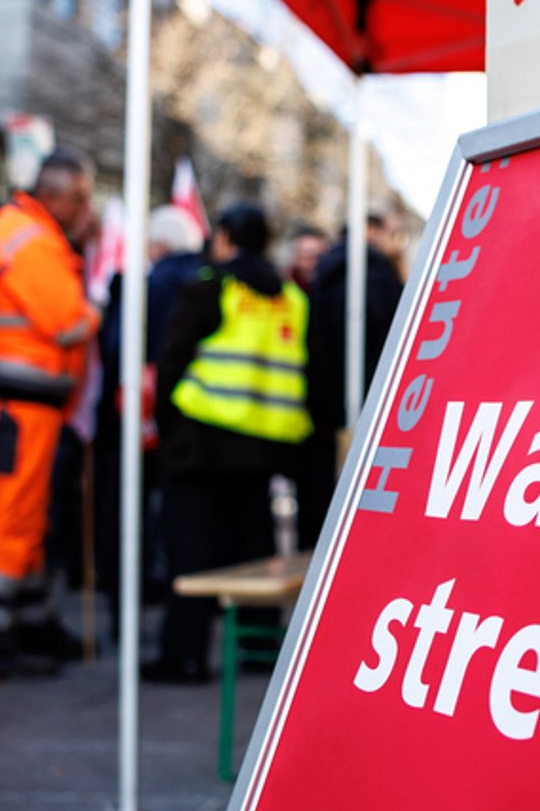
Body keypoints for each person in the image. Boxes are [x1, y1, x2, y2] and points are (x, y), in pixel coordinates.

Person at [145, 204, 308, 683]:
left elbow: (170, 362)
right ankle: (258, 651)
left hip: (199, 446)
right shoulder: (292, 298)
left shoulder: (210, 288)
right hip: (261, 451)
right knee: (256, 553)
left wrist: (169, 431)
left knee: (191, 556)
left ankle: (185, 656)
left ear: (225, 238)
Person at [0, 152, 98, 678]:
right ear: (58, 195)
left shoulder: (24, 231)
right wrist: (97, 305)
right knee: (7, 512)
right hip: (17, 401)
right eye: (81, 197)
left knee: (27, 517)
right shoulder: (28, 238)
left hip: (21, 399)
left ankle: (29, 620)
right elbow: (66, 322)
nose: (87, 208)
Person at [94, 204, 204, 606]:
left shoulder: (154, 282)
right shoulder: (208, 280)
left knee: (130, 505)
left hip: (144, 408)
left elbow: (121, 348)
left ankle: (127, 586)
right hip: (194, 416)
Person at [297, 210, 406, 545]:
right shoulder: (371, 275)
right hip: (363, 413)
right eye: (392, 232)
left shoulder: (327, 274)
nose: (396, 241)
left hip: (323, 417)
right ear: (370, 230)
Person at [284, 225, 329, 293]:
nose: (313, 263)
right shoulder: (284, 288)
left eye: (319, 257)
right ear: (295, 256)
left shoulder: (330, 288)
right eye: (307, 256)